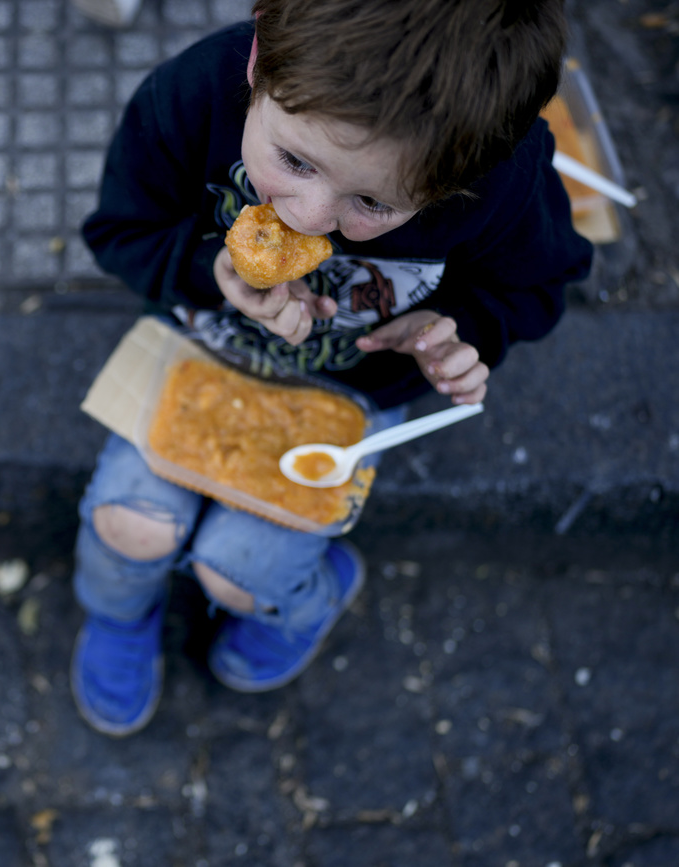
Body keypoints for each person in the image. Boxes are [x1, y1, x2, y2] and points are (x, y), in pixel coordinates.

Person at [71, 0, 593, 736]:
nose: (312, 217)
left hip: (352, 389)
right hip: (198, 345)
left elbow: (538, 286)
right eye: (293, 161)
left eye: (373, 202)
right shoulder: (190, 97)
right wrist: (207, 268)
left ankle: (308, 598)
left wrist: (460, 330)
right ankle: (120, 616)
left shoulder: (500, 178)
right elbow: (119, 231)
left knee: (237, 572)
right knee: (129, 527)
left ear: (455, 183)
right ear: (259, 66)